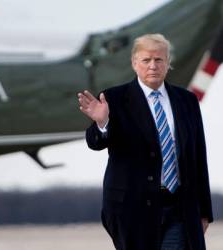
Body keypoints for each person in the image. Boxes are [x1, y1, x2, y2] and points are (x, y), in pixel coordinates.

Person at [78, 33, 213, 250]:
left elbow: (198, 155)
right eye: (146, 60)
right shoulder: (114, 99)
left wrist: (204, 211)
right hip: (132, 209)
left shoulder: (186, 100)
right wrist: (103, 123)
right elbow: (95, 143)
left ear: (168, 63)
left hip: (179, 207)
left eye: (159, 60)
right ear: (134, 63)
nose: (153, 66)